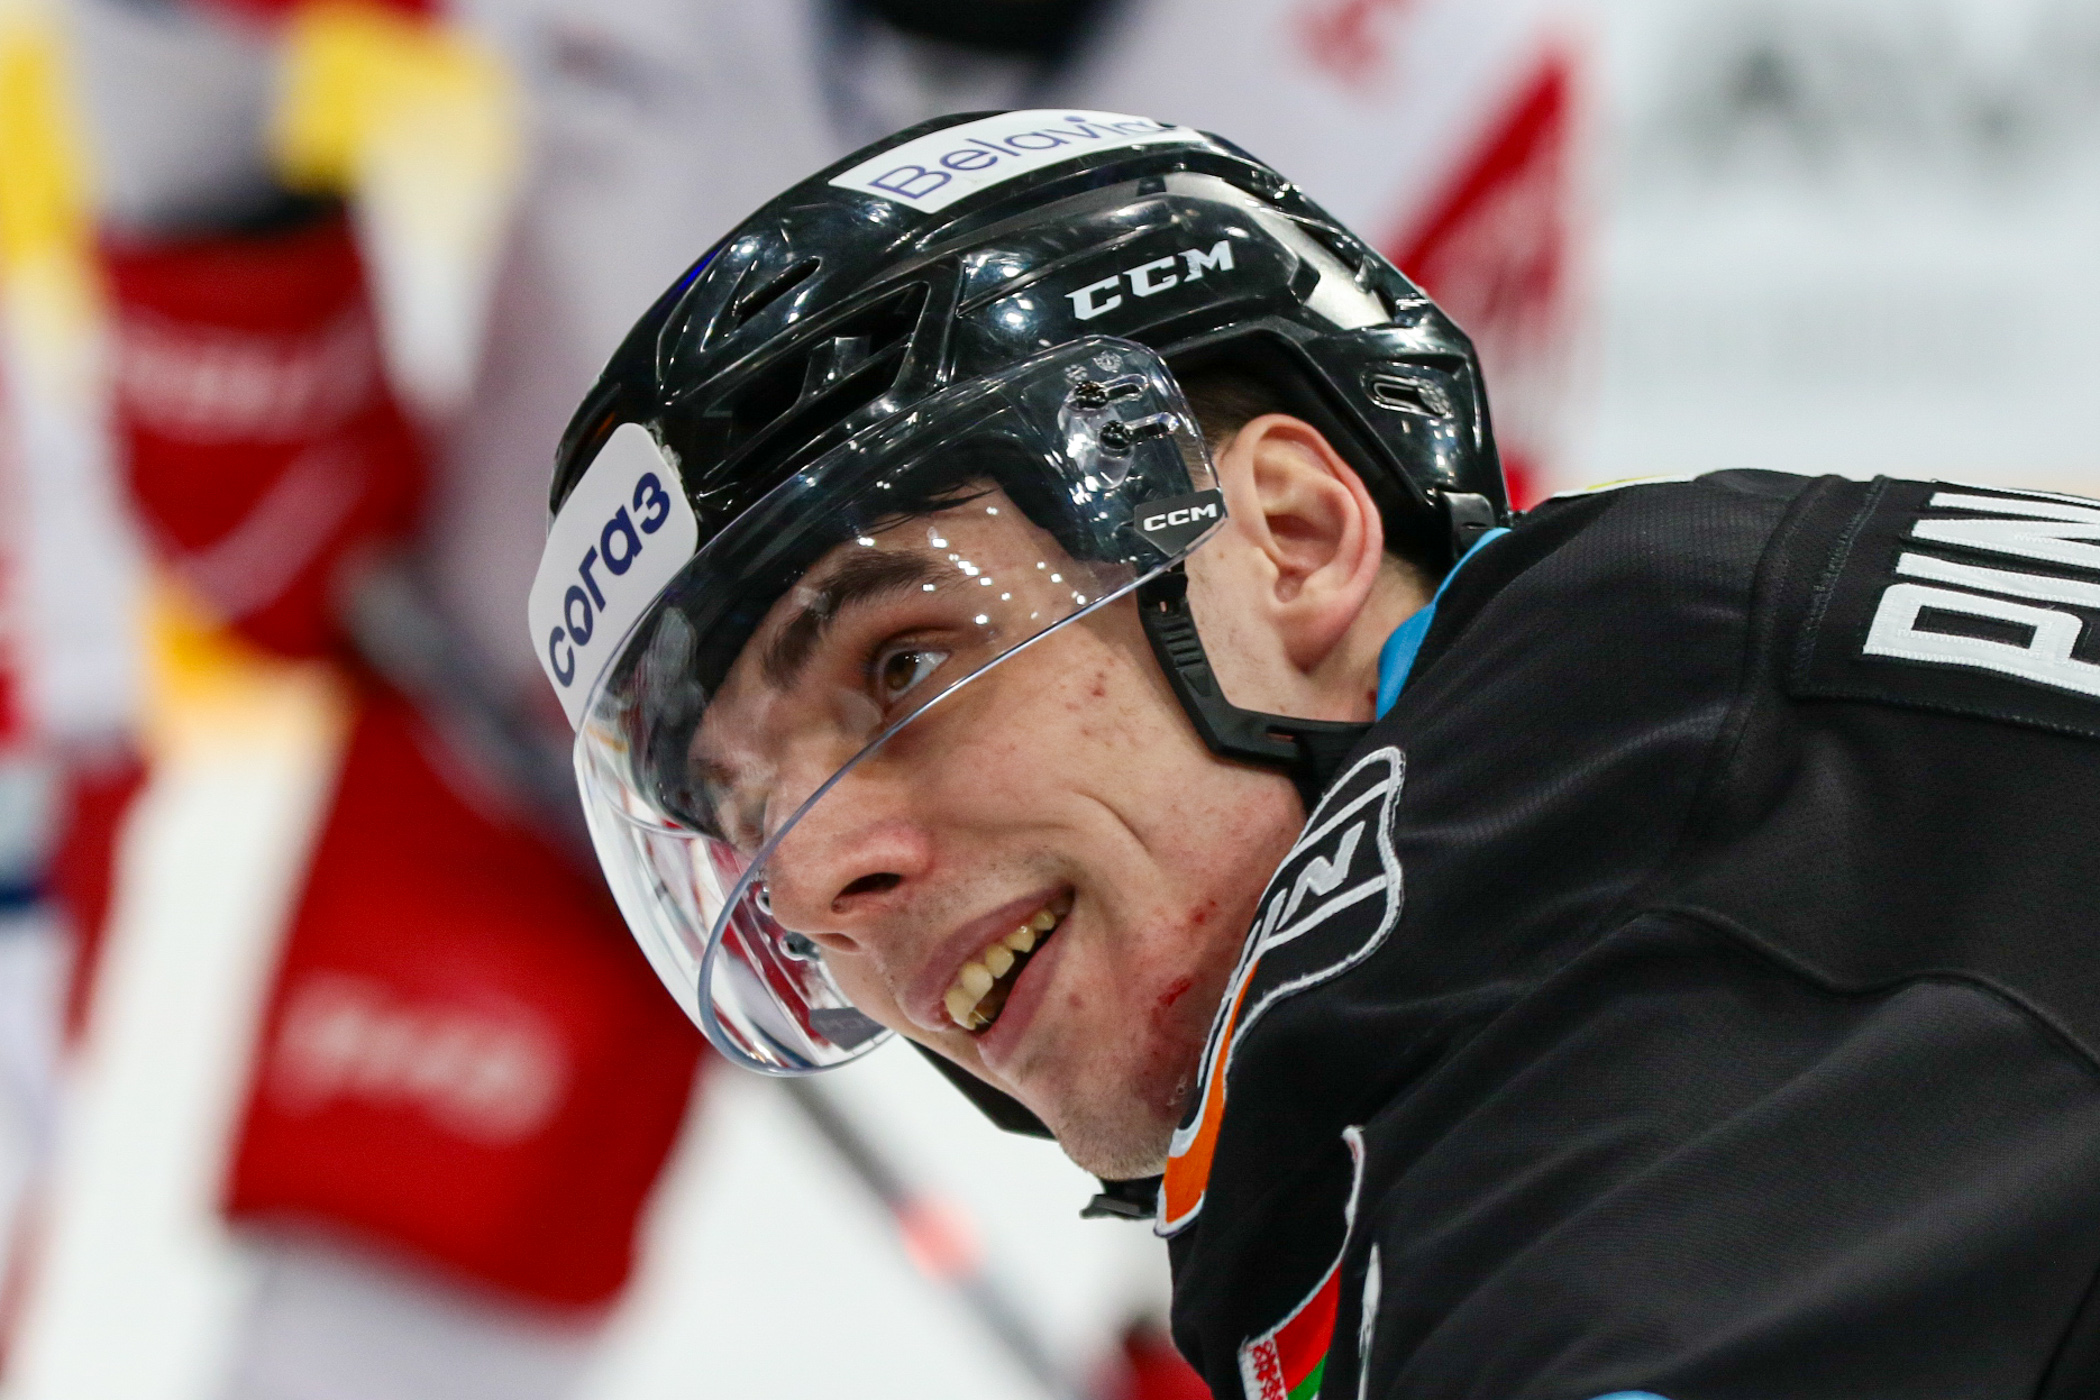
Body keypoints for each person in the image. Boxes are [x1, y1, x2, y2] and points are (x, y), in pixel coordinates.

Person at [531, 110, 2100, 1399]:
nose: (816, 879)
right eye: (748, 813)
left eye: (904, 663)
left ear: (1289, 535)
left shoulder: (1609, 864)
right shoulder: (1702, 724)